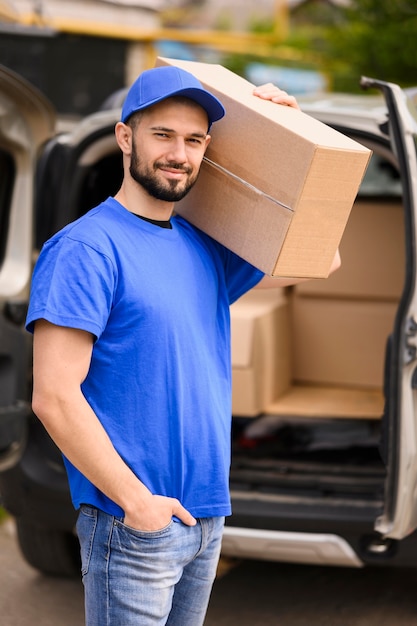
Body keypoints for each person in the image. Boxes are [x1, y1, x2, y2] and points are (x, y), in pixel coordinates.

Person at [26, 64, 341, 626]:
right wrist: (136, 503)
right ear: (126, 137)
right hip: (132, 521)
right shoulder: (85, 249)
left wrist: (289, 131)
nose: (180, 153)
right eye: (163, 135)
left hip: (203, 518)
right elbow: (54, 396)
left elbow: (324, 258)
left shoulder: (204, 247)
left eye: (194, 140)